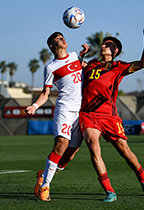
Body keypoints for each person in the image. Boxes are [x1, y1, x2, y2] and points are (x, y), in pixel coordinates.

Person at [79, 24, 144, 202]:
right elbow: (73, 70)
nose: (104, 45)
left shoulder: (119, 66)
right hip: (88, 114)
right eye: (103, 44)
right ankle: (110, 192)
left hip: (109, 116)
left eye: (108, 44)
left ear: (115, 50)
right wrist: (80, 56)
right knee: (92, 145)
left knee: (125, 152)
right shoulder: (90, 64)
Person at [25, 32, 89, 201]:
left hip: (79, 111)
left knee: (71, 152)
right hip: (64, 109)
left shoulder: (75, 56)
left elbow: (80, 72)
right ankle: (45, 186)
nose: (63, 39)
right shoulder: (50, 67)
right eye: (58, 39)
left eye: (63, 37)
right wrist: (35, 105)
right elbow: (46, 93)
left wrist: (83, 58)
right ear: (52, 46)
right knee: (61, 145)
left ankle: (43, 173)